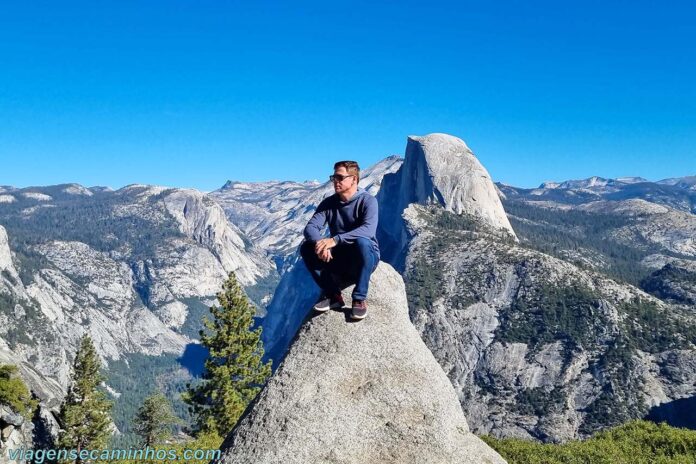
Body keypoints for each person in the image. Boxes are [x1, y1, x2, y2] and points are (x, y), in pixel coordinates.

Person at [300, 160, 380, 320]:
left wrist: (335, 240)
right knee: (306, 248)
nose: (335, 181)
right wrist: (320, 244)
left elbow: (368, 230)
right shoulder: (329, 203)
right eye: (333, 177)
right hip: (340, 259)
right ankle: (334, 295)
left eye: (340, 177)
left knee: (362, 242)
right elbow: (310, 228)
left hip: (363, 258)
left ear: (354, 179)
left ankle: (359, 298)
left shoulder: (368, 201)